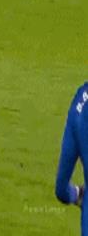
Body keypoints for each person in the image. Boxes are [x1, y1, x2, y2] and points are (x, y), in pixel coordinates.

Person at [55, 82, 87, 235]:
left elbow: (61, 190)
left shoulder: (81, 95)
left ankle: (79, 193)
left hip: (78, 110)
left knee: (62, 190)